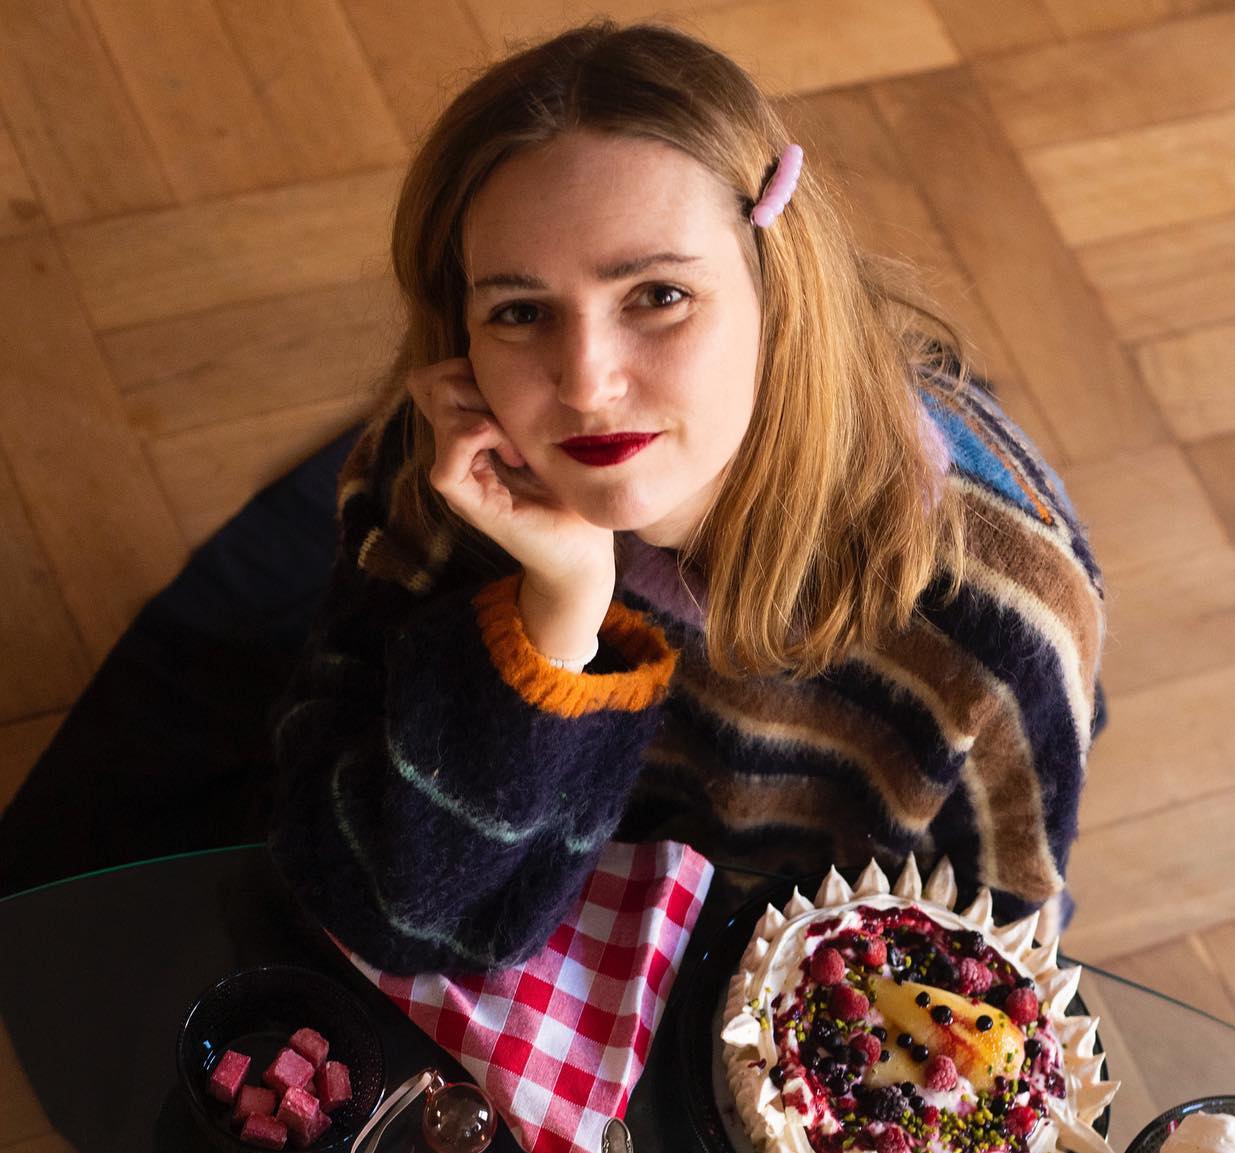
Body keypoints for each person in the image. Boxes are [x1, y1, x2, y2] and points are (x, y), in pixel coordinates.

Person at [268, 20, 1105, 975]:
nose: (585, 384)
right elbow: (386, 909)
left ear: (778, 290)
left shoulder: (1000, 622)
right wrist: (557, 622)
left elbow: (988, 968)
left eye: (658, 296)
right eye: (520, 312)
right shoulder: (442, 469)